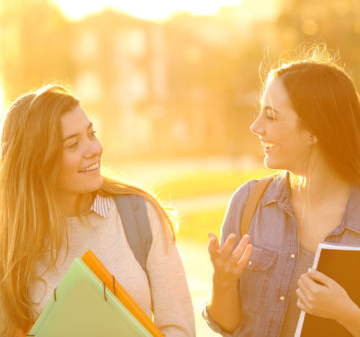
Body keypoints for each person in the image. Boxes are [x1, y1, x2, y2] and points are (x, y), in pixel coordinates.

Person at [0, 85, 195, 337]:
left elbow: (180, 328)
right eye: (73, 144)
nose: (95, 149)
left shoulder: (139, 216)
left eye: (91, 133)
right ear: (39, 162)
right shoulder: (10, 242)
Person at [204, 47, 360, 336]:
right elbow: (227, 327)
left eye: (271, 117)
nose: (255, 127)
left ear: (313, 131)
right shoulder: (248, 202)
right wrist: (223, 282)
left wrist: (347, 313)